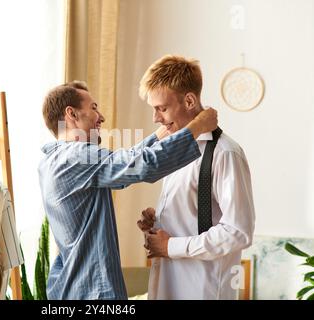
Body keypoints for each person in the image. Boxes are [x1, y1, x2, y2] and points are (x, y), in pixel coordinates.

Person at [38, 80, 218, 299]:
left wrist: (163, 132)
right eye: (93, 108)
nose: (101, 117)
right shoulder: (75, 157)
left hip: (71, 288)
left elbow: (125, 159)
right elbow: (143, 165)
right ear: (71, 114)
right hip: (93, 292)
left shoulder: (53, 160)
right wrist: (197, 126)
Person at [136, 55, 255, 300]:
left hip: (202, 290)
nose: (156, 118)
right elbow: (195, 214)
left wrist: (170, 247)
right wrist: (159, 221)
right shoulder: (174, 150)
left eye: (162, 108)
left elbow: (237, 231)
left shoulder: (225, 153)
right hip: (166, 285)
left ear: (189, 100)